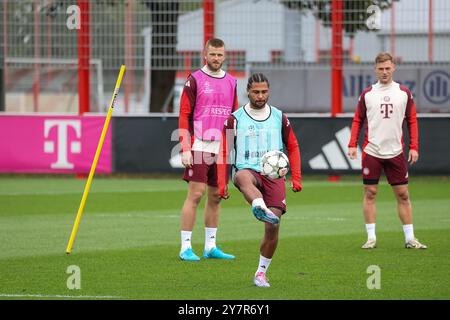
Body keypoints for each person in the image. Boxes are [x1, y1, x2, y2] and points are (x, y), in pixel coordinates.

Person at [217, 73, 302, 287]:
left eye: (264, 91)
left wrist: (297, 178)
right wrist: (221, 182)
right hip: (247, 170)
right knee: (244, 177)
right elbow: (224, 149)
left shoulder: (279, 117)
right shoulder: (234, 119)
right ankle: (258, 205)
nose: (260, 96)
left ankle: (260, 273)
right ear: (248, 91)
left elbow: (292, 145)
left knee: (273, 227)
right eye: (256, 92)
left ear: (269, 91)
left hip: (274, 176)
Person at [347, 52, 427, 250]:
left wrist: (414, 146)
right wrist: (351, 143)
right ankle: (371, 238)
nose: (384, 72)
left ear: (394, 68)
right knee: (371, 192)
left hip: (396, 152)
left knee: (403, 195)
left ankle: (410, 238)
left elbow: (412, 120)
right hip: (372, 151)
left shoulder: (403, 93)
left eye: (387, 68)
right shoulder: (367, 94)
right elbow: (358, 119)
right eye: (381, 68)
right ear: (375, 69)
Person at [177, 38, 239, 261]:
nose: (216, 58)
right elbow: (184, 114)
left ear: (225, 56)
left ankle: (210, 247)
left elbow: (233, 117)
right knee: (195, 194)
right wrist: (185, 147)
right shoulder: (194, 79)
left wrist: (232, 148)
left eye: (220, 55)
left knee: (216, 196)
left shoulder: (232, 81)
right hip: (200, 144)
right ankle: (185, 247)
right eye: (212, 54)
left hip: (223, 148)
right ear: (205, 55)